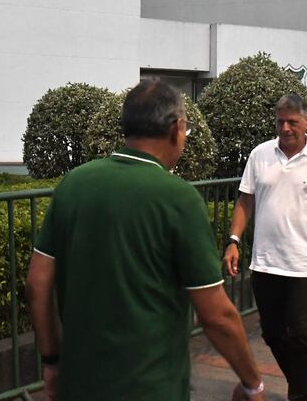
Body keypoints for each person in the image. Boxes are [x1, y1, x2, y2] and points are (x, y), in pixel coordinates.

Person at [28, 79, 266, 401]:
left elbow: (38, 283)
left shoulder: (74, 184)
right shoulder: (179, 199)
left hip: (78, 383)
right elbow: (216, 315)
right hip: (150, 386)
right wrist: (253, 383)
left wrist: (51, 362)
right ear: (176, 128)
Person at [224, 94, 307, 401]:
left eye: (293, 122)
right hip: (266, 262)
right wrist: (234, 241)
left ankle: (303, 395)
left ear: (306, 123)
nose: (286, 128)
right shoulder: (260, 154)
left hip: (305, 263)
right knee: (272, 332)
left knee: (302, 336)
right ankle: (301, 385)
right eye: (281, 121)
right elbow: (245, 200)